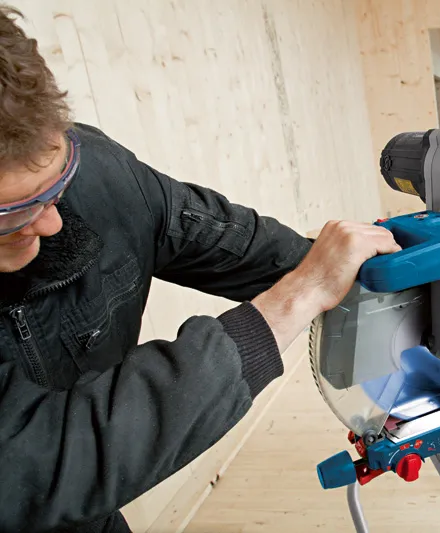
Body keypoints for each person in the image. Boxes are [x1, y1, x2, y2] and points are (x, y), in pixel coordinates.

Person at [0, 5, 400, 532]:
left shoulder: (98, 174)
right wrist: (293, 301)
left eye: (59, 182)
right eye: (17, 211)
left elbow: (214, 235)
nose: (52, 223)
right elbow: (42, 459)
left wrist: (359, 271)